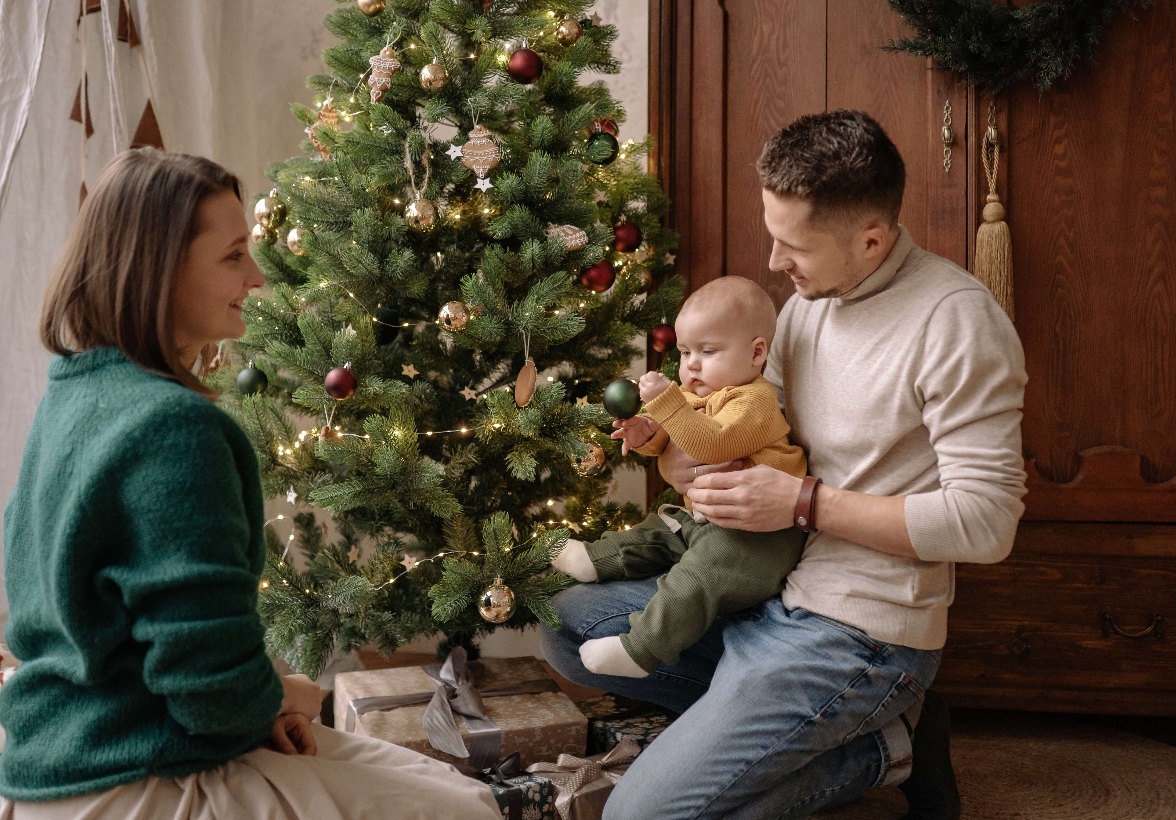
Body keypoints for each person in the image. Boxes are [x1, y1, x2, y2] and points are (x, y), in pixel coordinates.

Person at [541, 110, 1027, 820]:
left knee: (639, 816)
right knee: (564, 622)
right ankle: (772, 730)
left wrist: (804, 503)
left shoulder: (956, 321)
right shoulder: (806, 307)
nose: (772, 262)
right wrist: (678, 455)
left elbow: (987, 525)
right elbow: (733, 443)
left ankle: (886, 744)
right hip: (764, 585)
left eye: (791, 244)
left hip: (858, 633)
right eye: (772, 235)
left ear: (871, 239)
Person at [0, 148, 502, 820]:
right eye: (234, 255)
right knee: (466, 811)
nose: (258, 277)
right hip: (133, 774)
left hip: (59, 757)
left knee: (460, 793)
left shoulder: (75, 392)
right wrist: (286, 695)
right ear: (161, 266)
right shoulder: (171, 428)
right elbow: (208, 686)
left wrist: (263, 701)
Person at [552, 276, 808, 679]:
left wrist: (667, 402)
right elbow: (674, 438)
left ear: (757, 352)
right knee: (660, 529)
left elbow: (711, 445)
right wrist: (646, 436)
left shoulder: (755, 401)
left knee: (696, 575)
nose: (691, 364)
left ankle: (642, 649)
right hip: (706, 520)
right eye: (686, 351)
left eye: (708, 351)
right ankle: (593, 560)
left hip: (757, 539)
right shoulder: (697, 396)